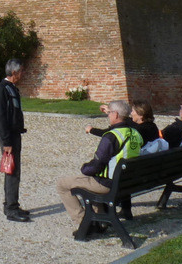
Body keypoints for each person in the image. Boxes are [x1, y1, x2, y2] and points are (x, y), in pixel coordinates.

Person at [56, 100, 143, 238]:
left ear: (115, 115)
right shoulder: (135, 133)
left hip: (109, 184)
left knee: (62, 184)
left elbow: (96, 165)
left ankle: (84, 222)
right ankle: (100, 221)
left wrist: (84, 168)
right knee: (93, 179)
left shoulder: (112, 136)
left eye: (109, 113)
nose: (108, 116)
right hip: (127, 182)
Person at [0, 58, 30, 222]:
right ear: (14, 73)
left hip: (14, 134)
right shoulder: (1, 90)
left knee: (15, 170)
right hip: (8, 136)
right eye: (21, 71)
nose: (22, 74)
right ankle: (11, 208)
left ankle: (13, 203)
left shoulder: (11, 88)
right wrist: (6, 141)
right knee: (12, 171)